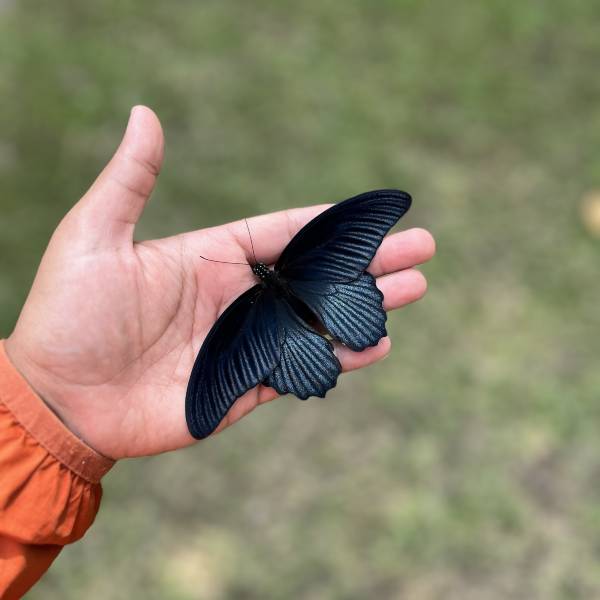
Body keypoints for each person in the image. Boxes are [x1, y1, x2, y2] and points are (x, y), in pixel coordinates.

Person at [0, 106, 436, 598]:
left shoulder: (238, 318)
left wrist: (42, 397)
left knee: (299, 346)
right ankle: (343, 324)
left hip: (299, 323)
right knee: (334, 316)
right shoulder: (280, 275)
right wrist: (46, 391)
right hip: (334, 294)